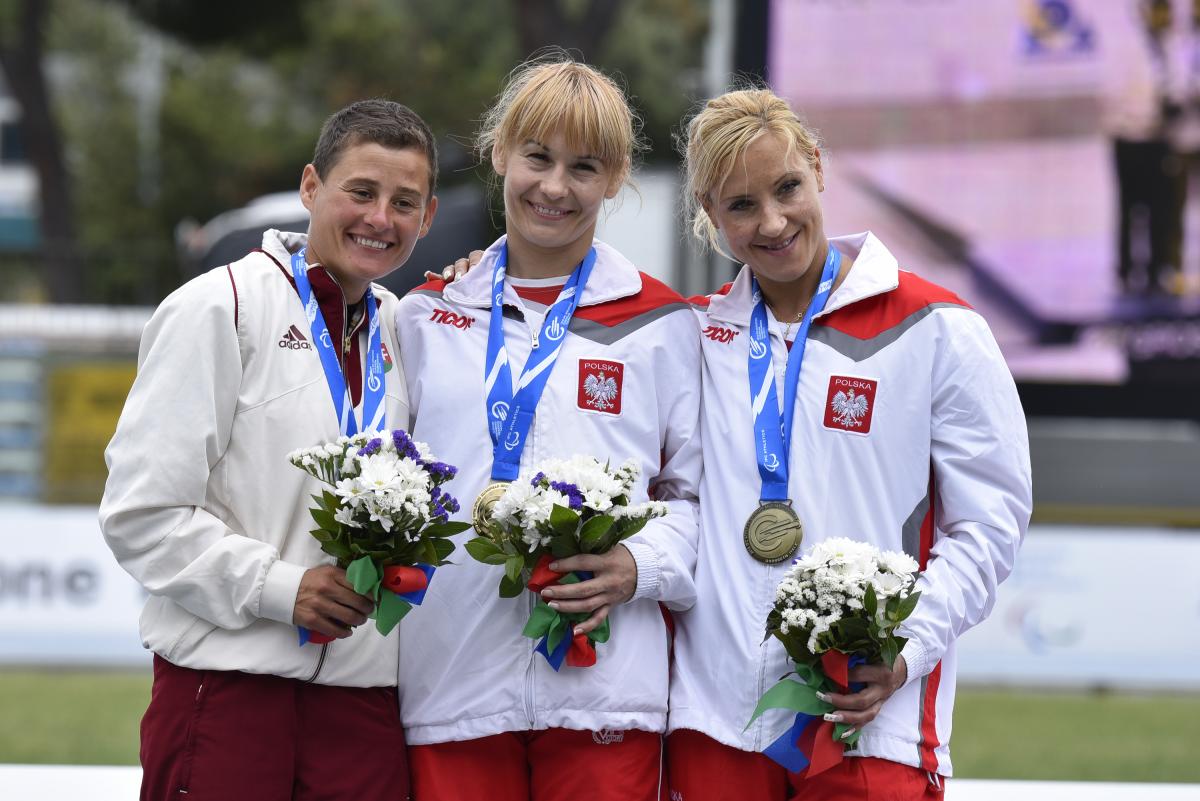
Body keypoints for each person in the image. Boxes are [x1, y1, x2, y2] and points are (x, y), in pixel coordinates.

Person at [665, 89, 1032, 800]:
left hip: (868, 718)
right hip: (715, 727)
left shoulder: (938, 329)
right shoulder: (691, 336)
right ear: (710, 214)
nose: (772, 222)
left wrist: (904, 646)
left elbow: (989, 523)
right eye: (741, 206)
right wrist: (477, 273)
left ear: (819, 170)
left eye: (787, 188)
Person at [99, 99, 439, 801]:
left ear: (427, 218)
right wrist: (281, 589)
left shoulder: (410, 331)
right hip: (227, 686)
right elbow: (142, 512)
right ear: (311, 187)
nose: (381, 218)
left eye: (404, 202)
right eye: (362, 191)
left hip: (363, 700)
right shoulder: (217, 308)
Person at [392, 55, 701, 801]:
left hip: (608, 689)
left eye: (584, 167)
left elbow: (699, 498)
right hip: (455, 684)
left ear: (615, 178)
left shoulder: (661, 324)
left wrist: (640, 564)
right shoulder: (427, 317)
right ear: (500, 152)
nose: (555, 187)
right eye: (537, 157)